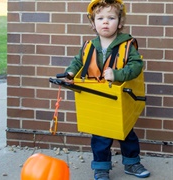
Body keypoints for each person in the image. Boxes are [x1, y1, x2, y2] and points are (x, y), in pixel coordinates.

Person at [64, 0, 150, 179]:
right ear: (92, 23)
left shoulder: (127, 45)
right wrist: (70, 73)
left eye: (111, 18)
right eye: (100, 18)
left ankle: (132, 163)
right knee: (100, 137)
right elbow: (78, 62)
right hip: (96, 98)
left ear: (119, 23)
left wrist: (117, 74)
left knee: (126, 133)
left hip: (119, 98)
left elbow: (136, 66)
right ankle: (101, 167)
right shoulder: (88, 46)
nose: (105, 22)